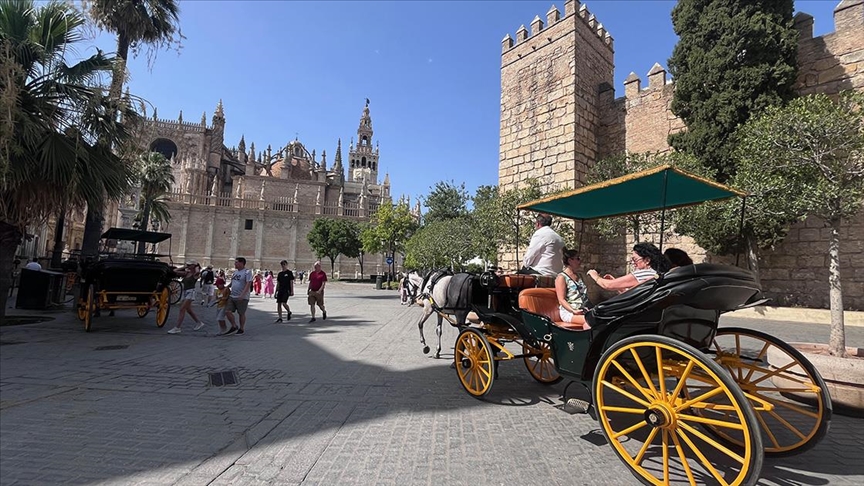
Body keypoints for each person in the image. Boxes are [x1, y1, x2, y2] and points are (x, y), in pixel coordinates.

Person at [586, 242, 670, 293]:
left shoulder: (644, 274)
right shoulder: (655, 274)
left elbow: (608, 285)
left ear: (647, 260)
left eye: (635, 260)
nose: (633, 263)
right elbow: (630, 295)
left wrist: (595, 275)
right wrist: (619, 286)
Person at [167, 261, 207, 334]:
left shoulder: (195, 274)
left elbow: (198, 272)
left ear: (193, 266)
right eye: (187, 264)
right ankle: (199, 323)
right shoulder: (187, 273)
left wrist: (197, 266)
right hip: (185, 292)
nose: (187, 265)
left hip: (191, 292)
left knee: (182, 309)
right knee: (189, 310)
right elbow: (174, 271)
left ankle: (177, 327)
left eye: (189, 265)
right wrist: (184, 267)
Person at [555, 249, 591, 329]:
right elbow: (561, 299)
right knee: (590, 321)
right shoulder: (561, 277)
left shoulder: (580, 276)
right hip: (569, 312)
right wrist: (573, 310)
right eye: (577, 258)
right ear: (570, 260)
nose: (580, 261)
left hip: (583, 309)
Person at [224, 257, 253, 335]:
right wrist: (227, 287)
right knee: (227, 311)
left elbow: (248, 284)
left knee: (241, 313)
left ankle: (241, 328)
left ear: (241, 263)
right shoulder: (235, 272)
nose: (235, 264)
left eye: (236, 262)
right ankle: (234, 325)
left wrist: (242, 295)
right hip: (232, 295)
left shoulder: (247, 272)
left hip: (242, 297)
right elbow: (233, 282)